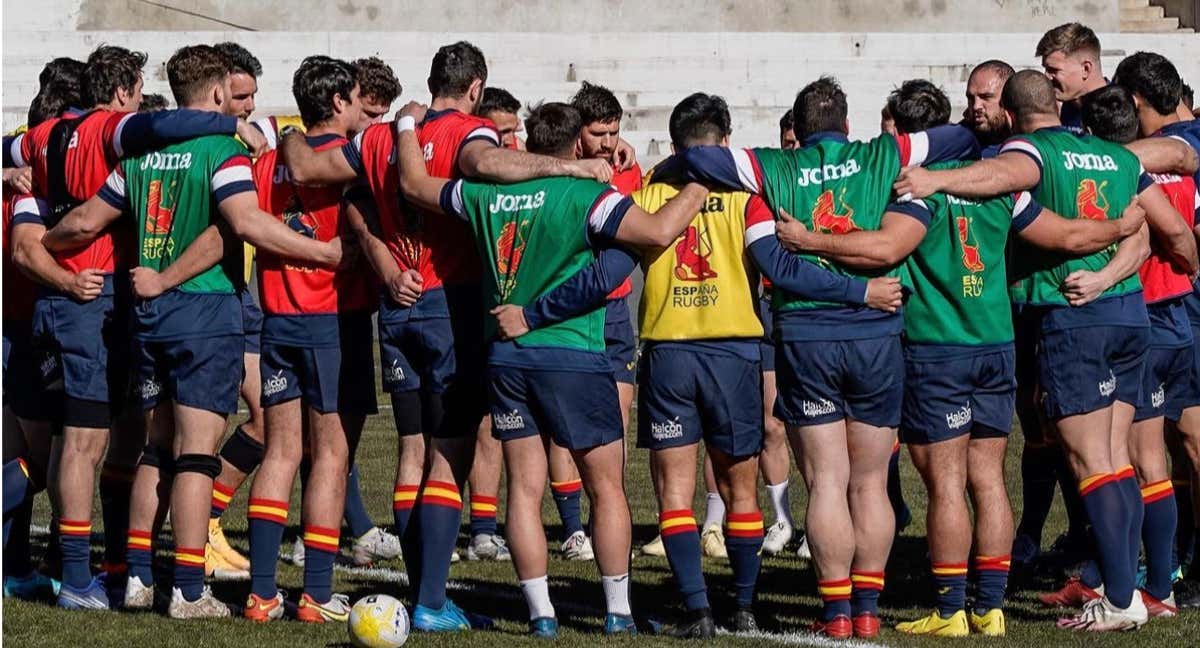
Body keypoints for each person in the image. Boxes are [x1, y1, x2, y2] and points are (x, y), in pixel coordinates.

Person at [513, 92, 905, 637]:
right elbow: (775, 264)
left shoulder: (646, 192)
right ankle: (742, 605)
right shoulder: (748, 197)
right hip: (735, 352)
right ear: (722, 143)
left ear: (675, 145)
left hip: (669, 352)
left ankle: (697, 609)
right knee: (740, 488)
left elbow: (614, 264)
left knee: (674, 492)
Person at [278, 40, 611, 632]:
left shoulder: (381, 137)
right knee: (449, 457)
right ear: (476, 87)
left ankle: (422, 588)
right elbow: (485, 167)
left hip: (398, 307)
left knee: (412, 450)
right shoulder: (468, 133)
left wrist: (281, 135)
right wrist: (571, 165)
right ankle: (431, 601)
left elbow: (313, 172)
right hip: (452, 306)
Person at [826, 80, 1143, 638]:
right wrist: (1120, 228)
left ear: (903, 135)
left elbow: (880, 251)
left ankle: (950, 610)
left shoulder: (909, 191)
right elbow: (1065, 233)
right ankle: (991, 609)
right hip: (996, 345)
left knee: (947, 486)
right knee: (989, 479)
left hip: (937, 348)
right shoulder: (1000, 186)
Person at [41, 44, 340, 618]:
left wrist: (44, 248)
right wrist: (323, 254)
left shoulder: (142, 158)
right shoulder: (220, 150)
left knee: (156, 446)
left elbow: (83, 220)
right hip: (204, 315)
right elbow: (245, 224)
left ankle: (136, 580)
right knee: (197, 455)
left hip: (149, 320)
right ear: (214, 94)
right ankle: (187, 589)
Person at [679, 75, 979, 639]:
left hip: (806, 337)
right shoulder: (886, 153)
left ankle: (837, 612)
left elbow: (701, 156)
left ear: (800, 126)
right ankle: (867, 609)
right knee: (869, 481)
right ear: (846, 123)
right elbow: (961, 138)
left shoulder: (773, 168)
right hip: (875, 336)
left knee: (826, 483)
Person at [396, 98, 707, 638]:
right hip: (573, 353)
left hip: (507, 356)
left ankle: (541, 615)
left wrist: (404, 125)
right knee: (606, 486)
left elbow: (416, 186)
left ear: (528, 146)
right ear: (575, 147)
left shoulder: (487, 194)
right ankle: (618, 612)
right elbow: (657, 232)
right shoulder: (586, 194)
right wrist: (702, 183)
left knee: (524, 488)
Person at [893, 69, 1184, 632]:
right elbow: (1158, 228)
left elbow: (1007, 177)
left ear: (1012, 111)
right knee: (1119, 459)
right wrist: (1131, 270)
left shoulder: (1032, 151)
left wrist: (933, 181)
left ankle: (1119, 598)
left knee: (1089, 462)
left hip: (1071, 320)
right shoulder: (1113, 153)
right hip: (1128, 314)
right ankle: (1133, 587)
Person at [9, 43, 266, 610]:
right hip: (102, 296)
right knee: (103, 445)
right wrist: (231, 123)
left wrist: (24, 200)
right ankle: (91, 579)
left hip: (66, 300)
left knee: (115, 441)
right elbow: (174, 127)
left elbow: (25, 164)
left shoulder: (46, 135)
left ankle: (118, 569)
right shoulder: (118, 132)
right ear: (125, 92)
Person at [240, 54, 376, 624]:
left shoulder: (268, 159)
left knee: (280, 450)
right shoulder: (347, 161)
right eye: (357, 99)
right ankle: (316, 593)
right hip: (331, 319)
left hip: (277, 318)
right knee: (331, 454)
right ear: (340, 101)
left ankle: (262, 592)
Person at [1111, 52, 1200, 612]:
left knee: (1152, 447)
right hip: (1179, 308)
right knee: (1179, 440)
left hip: (1174, 307)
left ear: (1138, 102)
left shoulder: (1185, 144)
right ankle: (1169, 558)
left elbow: (1179, 152)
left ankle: (1160, 573)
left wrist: (1093, 160)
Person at [1038, 22, 1109, 134]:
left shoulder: (1123, 109)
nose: (1046, 77)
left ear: (1085, 69)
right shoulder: (1064, 107)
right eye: (1046, 69)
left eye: (1053, 70)